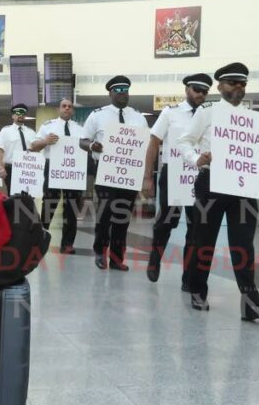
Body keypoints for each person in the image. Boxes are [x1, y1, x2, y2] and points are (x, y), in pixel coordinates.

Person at [177, 63, 259, 320]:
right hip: (211, 183)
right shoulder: (207, 111)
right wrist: (196, 158)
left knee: (244, 245)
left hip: (243, 187)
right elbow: (184, 140)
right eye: (232, 83)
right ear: (219, 86)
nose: (238, 87)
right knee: (203, 241)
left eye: (242, 83)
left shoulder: (251, 117)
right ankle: (198, 291)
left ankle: (250, 304)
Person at [142, 73, 212, 285]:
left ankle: (188, 278)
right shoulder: (170, 113)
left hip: (200, 175)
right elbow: (154, 143)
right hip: (173, 172)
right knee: (166, 221)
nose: (200, 94)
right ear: (187, 90)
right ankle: (155, 258)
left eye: (204, 91)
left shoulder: (210, 114)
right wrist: (147, 177)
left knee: (196, 227)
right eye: (196, 89)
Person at [80, 75, 147, 271]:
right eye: (118, 90)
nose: (122, 94)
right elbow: (82, 140)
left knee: (123, 216)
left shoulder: (138, 117)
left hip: (130, 172)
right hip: (105, 171)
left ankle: (118, 258)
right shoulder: (97, 115)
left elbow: (145, 145)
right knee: (106, 212)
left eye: (125, 90)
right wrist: (92, 145)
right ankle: (100, 251)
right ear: (110, 93)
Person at [37, 98, 85, 254]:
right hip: (53, 169)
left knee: (71, 209)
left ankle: (67, 244)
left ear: (73, 110)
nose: (67, 109)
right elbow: (33, 146)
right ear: (58, 109)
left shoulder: (80, 129)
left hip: (74, 171)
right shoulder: (48, 126)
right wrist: (45, 141)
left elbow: (85, 148)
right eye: (64, 106)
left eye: (70, 107)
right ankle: (40, 241)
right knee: (49, 206)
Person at [0, 103, 47, 192]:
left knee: (29, 194)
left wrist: (44, 142)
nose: (21, 115)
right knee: (14, 195)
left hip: (29, 167)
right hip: (12, 168)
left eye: (23, 113)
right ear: (13, 116)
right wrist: (0, 168)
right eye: (18, 113)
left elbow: (37, 149)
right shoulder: (6, 131)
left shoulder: (31, 132)